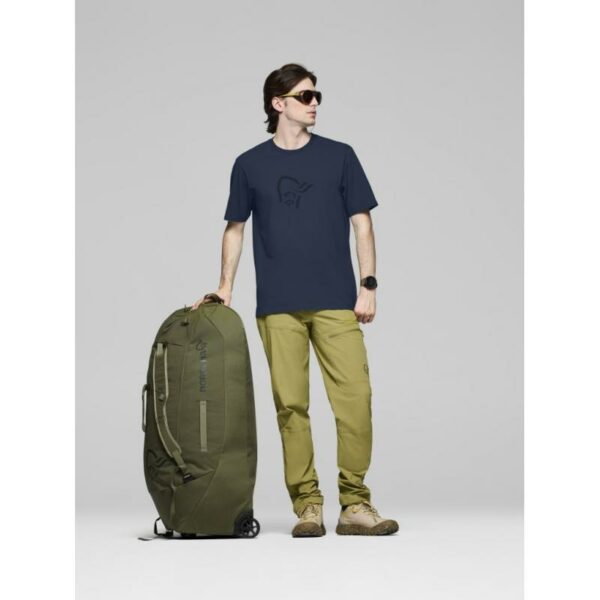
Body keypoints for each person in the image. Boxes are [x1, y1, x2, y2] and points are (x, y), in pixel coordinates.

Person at [192, 63, 398, 537]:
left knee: (355, 400)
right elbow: (235, 228)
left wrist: (368, 284)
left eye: (316, 95)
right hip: (278, 305)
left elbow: (362, 222)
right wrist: (224, 286)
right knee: (291, 407)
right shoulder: (249, 164)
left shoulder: (340, 156)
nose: (315, 103)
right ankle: (308, 505)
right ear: (278, 103)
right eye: (305, 96)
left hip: (335, 302)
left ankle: (355, 503)